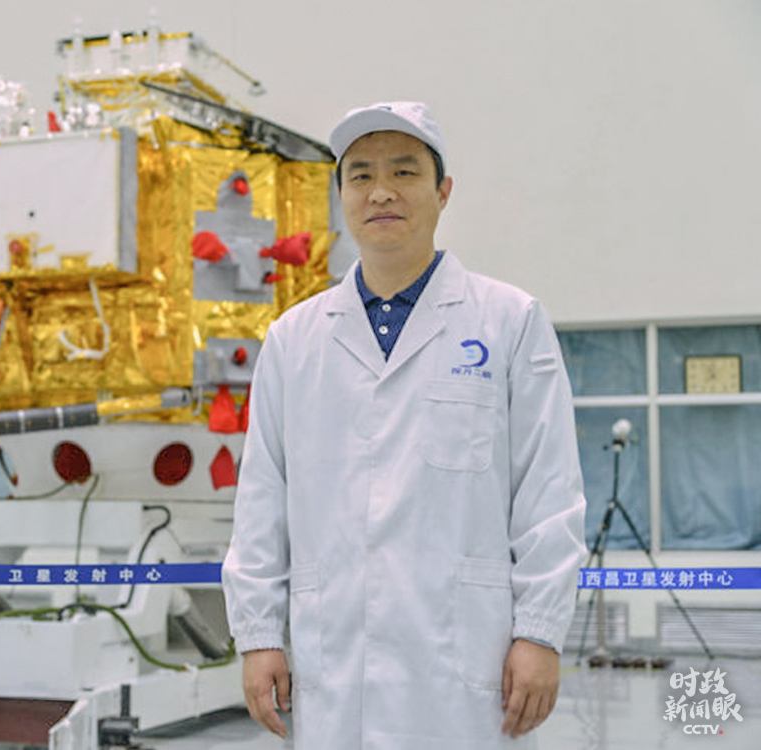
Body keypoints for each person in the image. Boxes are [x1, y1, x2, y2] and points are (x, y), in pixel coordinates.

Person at [222, 102, 587, 749]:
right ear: (341, 196)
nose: (381, 191)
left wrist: (539, 632)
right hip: (333, 659)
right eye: (360, 175)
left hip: (463, 662)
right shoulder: (294, 339)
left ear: (443, 191)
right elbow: (261, 501)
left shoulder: (509, 320)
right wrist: (257, 635)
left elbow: (548, 490)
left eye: (404, 171)